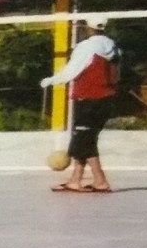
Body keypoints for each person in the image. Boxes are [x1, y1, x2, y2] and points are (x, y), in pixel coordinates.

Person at [40, 17, 120, 194]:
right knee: (85, 138)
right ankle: (75, 180)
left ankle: (100, 180)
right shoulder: (113, 47)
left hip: (88, 98)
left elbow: (72, 70)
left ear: (87, 28)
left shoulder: (87, 47)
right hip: (106, 98)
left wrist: (52, 80)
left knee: (84, 140)